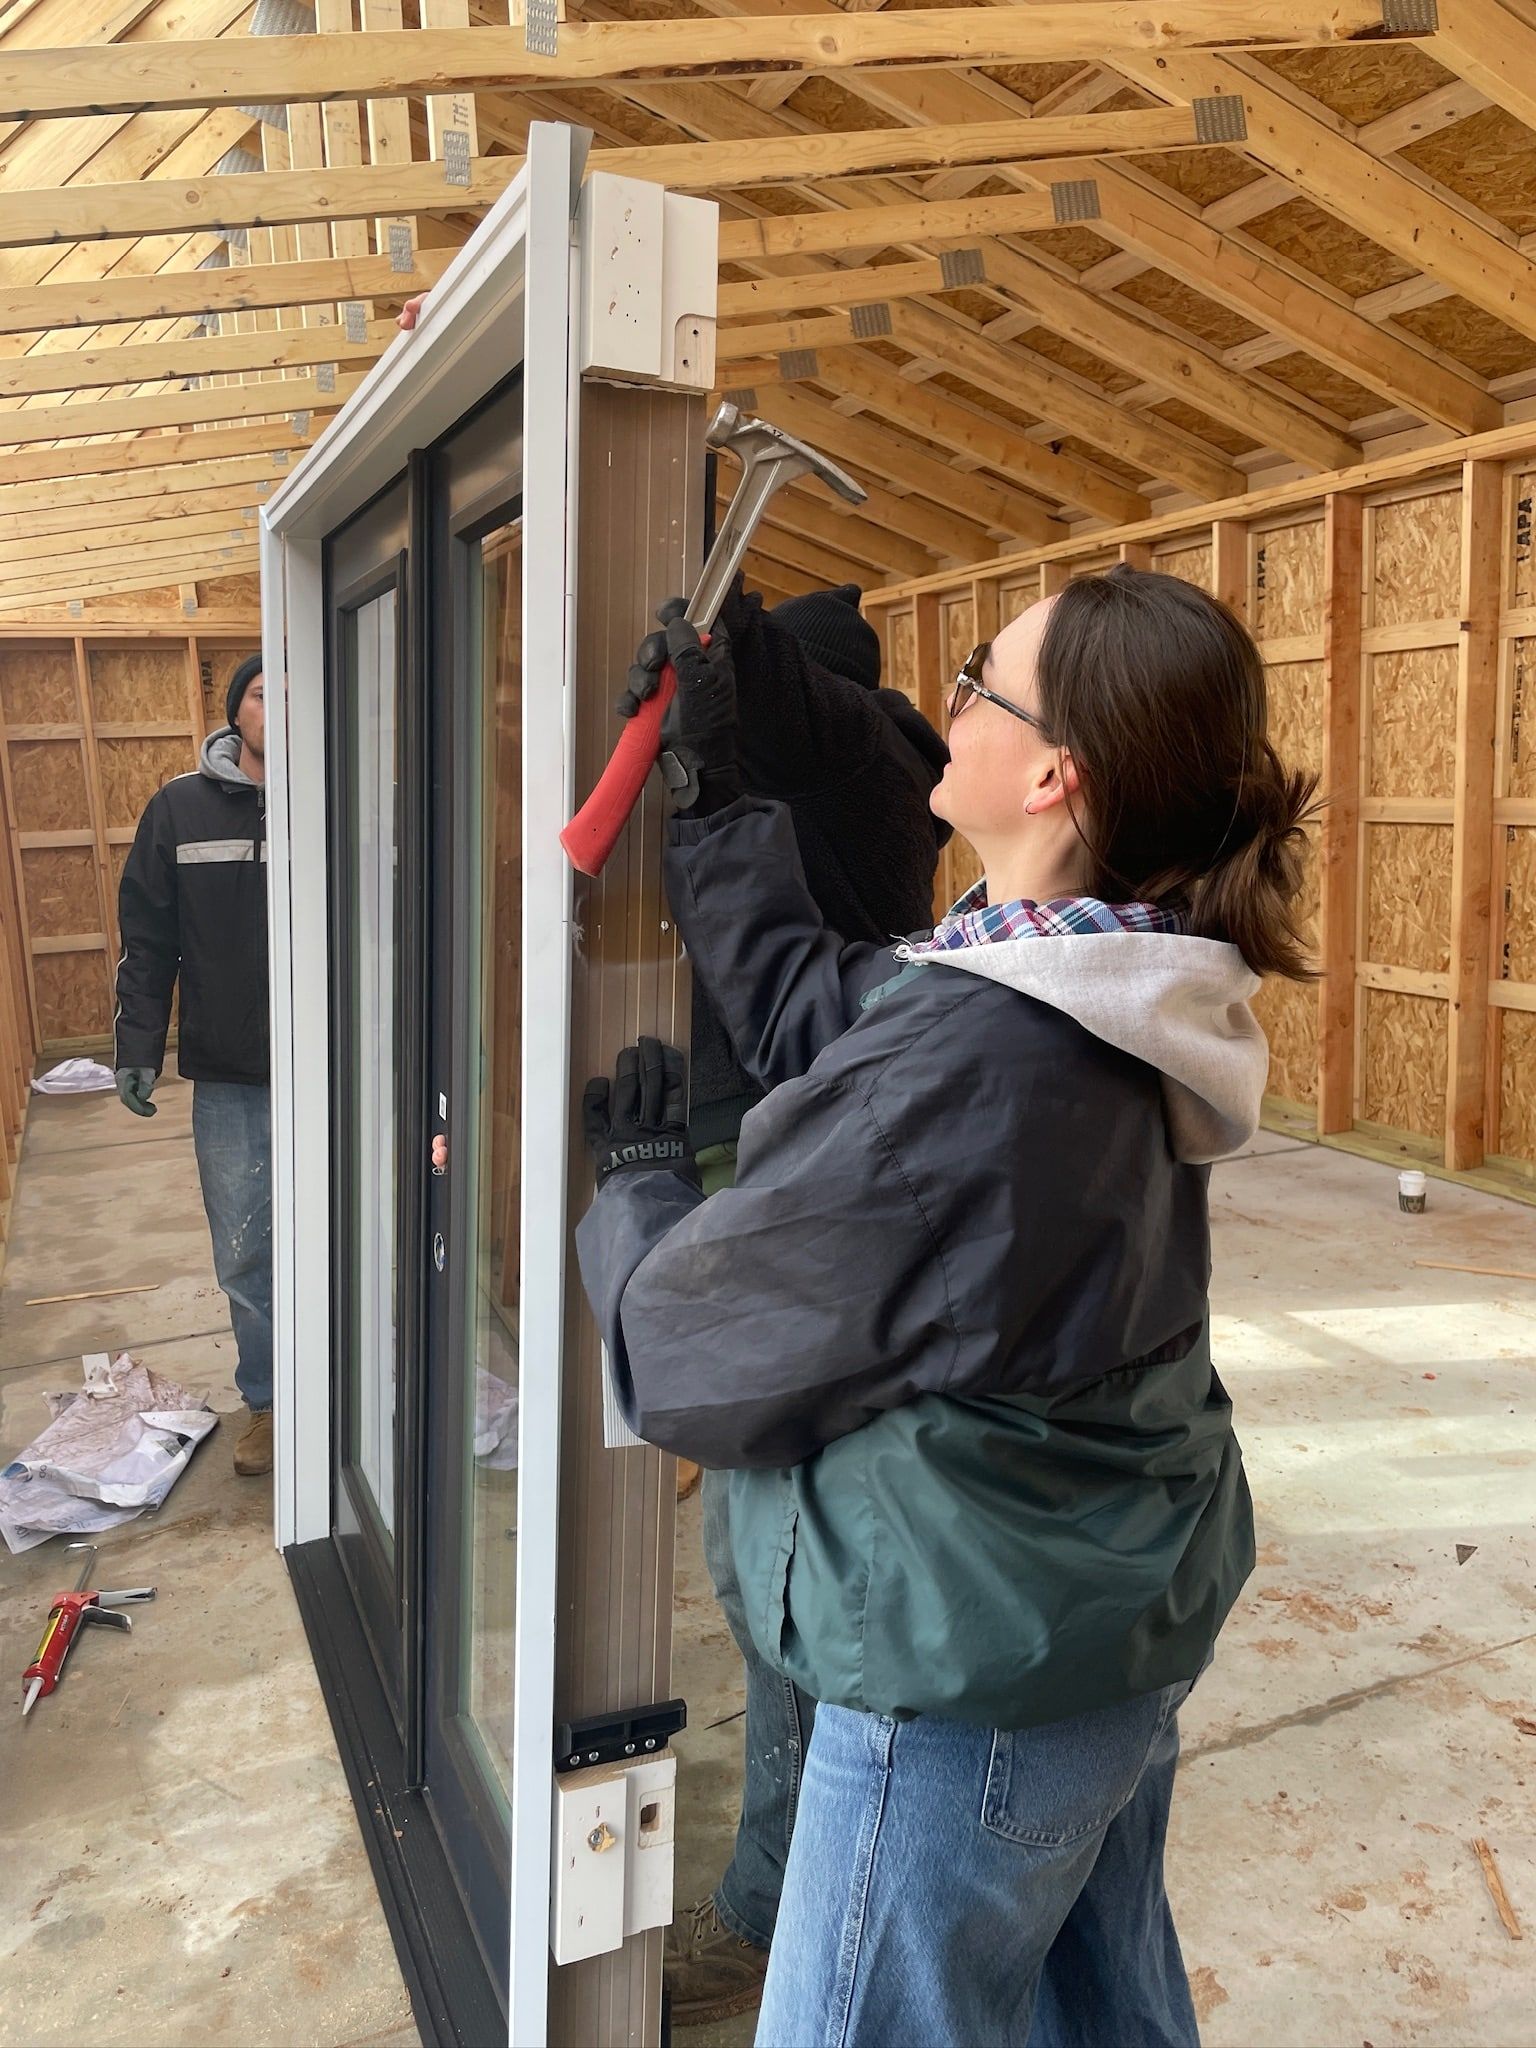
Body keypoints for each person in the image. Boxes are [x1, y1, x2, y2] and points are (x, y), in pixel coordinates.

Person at [576, 565, 1316, 2046]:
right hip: (1092, 1622)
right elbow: (831, 1008)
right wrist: (714, 800)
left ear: (1053, 773)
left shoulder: (987, 1065)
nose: (951, 699)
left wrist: (639, 1196)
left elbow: (687, 1352)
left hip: (967, 1688)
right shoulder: (1098, 971)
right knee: (1099, 2012)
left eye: (981, 678)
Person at [623, 580, 948, 2027]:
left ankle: (772, 1909)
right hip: (782, 1132)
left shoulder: (867, 765)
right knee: (779, 1548)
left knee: (781, 1561)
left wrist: (721, 723)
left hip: (803, 1148)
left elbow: (781, 988)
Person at [115, 655, 274, 1479]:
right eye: (262, 693)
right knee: (246, 1249)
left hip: (340, 1073)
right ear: (234, 711)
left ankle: (351, 1389)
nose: (277, 705)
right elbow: (149, 939)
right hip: (232, 1076)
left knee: (356, 1235)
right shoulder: (180, 807)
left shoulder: (345, 794)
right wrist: (138, 1045)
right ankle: (273, 1403)